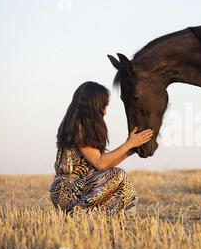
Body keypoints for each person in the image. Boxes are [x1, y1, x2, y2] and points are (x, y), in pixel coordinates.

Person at [49, 81, 153, 216]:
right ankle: (77, 213)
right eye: (103, 106)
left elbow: (105, 165)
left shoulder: (84, 127)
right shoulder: (79, 127)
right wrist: (129, 144)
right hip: (67, 191)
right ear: (94, 105)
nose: (105, 112)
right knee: (118, 175)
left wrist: (132, 149)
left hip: (84, 186)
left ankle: (104, 217)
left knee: (126, 190)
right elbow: (100, 163)